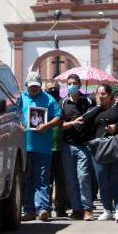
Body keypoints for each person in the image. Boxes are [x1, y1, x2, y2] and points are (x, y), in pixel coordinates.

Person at [82, 85, 118, 223]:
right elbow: (84, 120)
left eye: (104, 93)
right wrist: (98, 107)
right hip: (99, 150)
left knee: (117, 181)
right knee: (103, 181)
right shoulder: (94, 109)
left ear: (111, 96)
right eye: (98, 93)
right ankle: (107, 210)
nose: (100, 96)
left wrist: (116, 126)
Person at [17, 73, 61, 222]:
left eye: (36, 86)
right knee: (27, 179)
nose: (34, 89)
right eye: (32, 87)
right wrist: (19, 125)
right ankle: (29, 210)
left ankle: (43, 209)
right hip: (25, 147)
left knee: (42, 179)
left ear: (40, 85)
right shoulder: (20, 99)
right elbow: (12, 115)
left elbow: (58, 117)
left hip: (43, 148)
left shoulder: (49, 99)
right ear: (27, 86)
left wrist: (47, 125)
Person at [59, 75, 95, 221]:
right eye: (69, 83)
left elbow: (93, 120)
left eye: (74, 83)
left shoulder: (87, 101)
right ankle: (76, 209)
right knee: (71, 179)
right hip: (67, 145)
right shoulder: (62, 103)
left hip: (83, 146)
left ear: (80, 85)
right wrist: (73, 123)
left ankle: (87, 208)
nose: (72, 85)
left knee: (83, 177)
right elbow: (58, 125)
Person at [45, 83, 69, 218]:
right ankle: (45, 207)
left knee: (61, 179)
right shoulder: (44, 102)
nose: (53, 90)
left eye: (55, 88)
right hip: (46, 146)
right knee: (46, 180)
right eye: (50, 88)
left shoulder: (63, 103)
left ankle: (60, 207)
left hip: (61, 146)